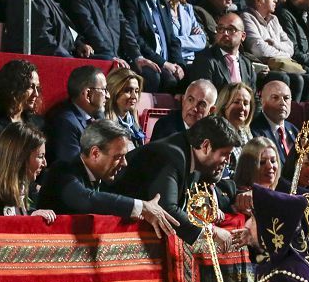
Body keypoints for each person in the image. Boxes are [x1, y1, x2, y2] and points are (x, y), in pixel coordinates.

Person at [115, 115, 244, 246]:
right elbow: (166, 209)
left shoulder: (192, 153)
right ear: (206, 146)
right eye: (224, 154)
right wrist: (211, 232)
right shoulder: (170, 156)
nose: (227, 161)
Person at [38, 120, 179, 236]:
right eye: (118, 157)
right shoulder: (62, 171)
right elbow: (86, 200)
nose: (124, 163)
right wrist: (142, 207)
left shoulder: (105, 177)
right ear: (95, 153)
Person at [243, 0, 309, 101]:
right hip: (263, 68)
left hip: (281, 64)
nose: (275, 0)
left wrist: (275, 44)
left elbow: (290, 47)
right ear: (258, 0)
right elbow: (259, 49)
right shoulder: (247, 17)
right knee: (291, 79)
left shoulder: (274, 19)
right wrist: (285, 54)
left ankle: (301, 116)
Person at [0, 59, 44, 163]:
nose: (36, 94)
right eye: (30, 87)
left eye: (37, 87)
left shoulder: (38, 123)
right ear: (13, 88)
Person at [46, 65, 107, 163]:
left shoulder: (98, 116)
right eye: (103, 89)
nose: (107, 95)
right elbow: (70, 168)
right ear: (88, 94)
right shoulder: (66, 123)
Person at [187, 12, 257, 90]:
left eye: (231, 29)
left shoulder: (247, 64)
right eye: (220, 29)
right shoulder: (204, 60)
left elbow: (253, 97)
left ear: (243, 36)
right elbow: (205, 97)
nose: (225, 33)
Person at [160, 0, 208, 64]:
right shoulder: (161, 8)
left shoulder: (188, 8)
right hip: (171, 60)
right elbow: (164, 41)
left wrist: (177, 41)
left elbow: (202, 40)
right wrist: (191, 39)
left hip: (191, 61)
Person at [250, 79, 300, 166]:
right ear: (262, 101)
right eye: (275, 97)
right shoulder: (255, 131)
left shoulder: (293, 129)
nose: (282, 103)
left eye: (286, 98)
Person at [152, 79, 218, 139]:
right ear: (183, 101)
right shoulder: (165, 127)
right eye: (190, 100)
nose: (194, 108)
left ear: (211, 111)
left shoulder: (214, 134)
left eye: (202, 104)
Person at [105, 67, 146, 147]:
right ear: (113, 91)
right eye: (128, 91)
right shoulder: (103, 122)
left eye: (137, 91)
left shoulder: (133, 120)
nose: (134, 96)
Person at [215, 81, 255, 160]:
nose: (242, 107)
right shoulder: (217, 133)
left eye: (246, 103)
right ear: (224, 105)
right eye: (237, 102)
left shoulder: (246, 132)